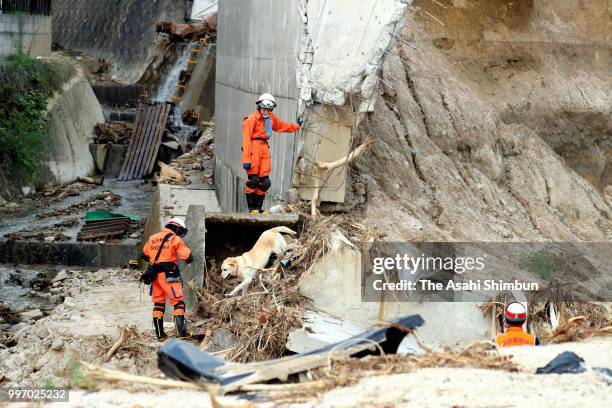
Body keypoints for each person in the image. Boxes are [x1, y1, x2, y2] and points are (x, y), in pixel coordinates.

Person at [242, 93, 301, 214]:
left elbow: (281, 126)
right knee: (253, 180)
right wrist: (246, 159)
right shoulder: (251, 120)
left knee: (265, 182)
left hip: (264, 149)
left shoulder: (271, 118)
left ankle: (258, 208)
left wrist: (296, 126)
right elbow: (246, 140)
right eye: (264, 109)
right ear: (259, 107)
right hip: (254, 149)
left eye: (268, 110)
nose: (266, 112)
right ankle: (251, 208)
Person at [142, 217, 193, 340]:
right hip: (169, 275)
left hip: (154, 276)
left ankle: (160, 335)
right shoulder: (174, 239)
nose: (180, 234)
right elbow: (187, 256)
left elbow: (144, 255)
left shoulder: (152, 238)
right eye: (180, 231)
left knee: (158, 304)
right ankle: (180, 333)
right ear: (176, 228)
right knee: (178, 303)